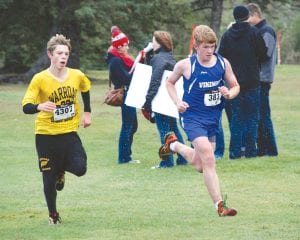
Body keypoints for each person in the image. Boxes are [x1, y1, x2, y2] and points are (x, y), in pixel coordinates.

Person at [159, 25, 240, 216]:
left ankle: (173, 145)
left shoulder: (222, 63)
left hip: (213, 118)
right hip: (192, 117)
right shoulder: (186, 65)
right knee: (209, 158)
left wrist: (229, 94)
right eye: (205, 47)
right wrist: (177, 101)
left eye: (213, 46)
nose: (210, 51)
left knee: (200, 165)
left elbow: (235, 85)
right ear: (196, 46)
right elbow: (169, 82)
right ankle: (220, 205)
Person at [22, 34, 92, 224]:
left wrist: (87, 112)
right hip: (46, 136)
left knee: (80, 168)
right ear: (50, 54)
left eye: (66, 53)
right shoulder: (40, 79)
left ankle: (61, 170)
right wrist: (39, 106)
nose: (63, 57)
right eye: (59, 53)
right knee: (48, 177)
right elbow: (26, 106)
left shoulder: (76, 75)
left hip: (69, 133)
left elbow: (85, 88)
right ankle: (53, 215)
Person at [218, 5, 268, 159]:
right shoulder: (254, 32)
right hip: (252, 80)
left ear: (234, 16)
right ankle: (251, 152)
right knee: (252, 117)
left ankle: (235, 152)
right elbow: (264, 54)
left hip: (233, 82)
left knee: (236, 118)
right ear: (247, 16)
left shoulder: (227, 35)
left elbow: (220, 57)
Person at [142, 31, 188, 168]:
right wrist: (149, 53)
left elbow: (155, 80)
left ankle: (167, 162)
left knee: (164, 130)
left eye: (153, 41)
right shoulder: (169, 57)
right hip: (171, 99)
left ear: (160, 42)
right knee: (174, 128)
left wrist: (148, 101)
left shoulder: (159, 59)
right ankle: (183, 158)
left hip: (161, 100)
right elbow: (150, 68)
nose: (152, 44)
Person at [247, 3, 278, 157]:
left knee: (263, 115)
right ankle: (262, 149)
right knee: (257, 115)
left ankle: (271, 150)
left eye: (247, 17)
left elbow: (265, 54)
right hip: (255, 79)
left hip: (262, 79)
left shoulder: (267, 31)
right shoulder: (256, 31)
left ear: (254, 14)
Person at [105, 26, 140, 164]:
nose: (127, 48)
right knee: (128, 126)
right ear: (119, 46)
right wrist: (136, 70)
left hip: (129, 94)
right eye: (125, 45)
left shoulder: (120, 59)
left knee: (132, 126)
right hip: (125, 94)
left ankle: (126, 155)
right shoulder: (116, 61)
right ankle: (124, 157)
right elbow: (126, 78)